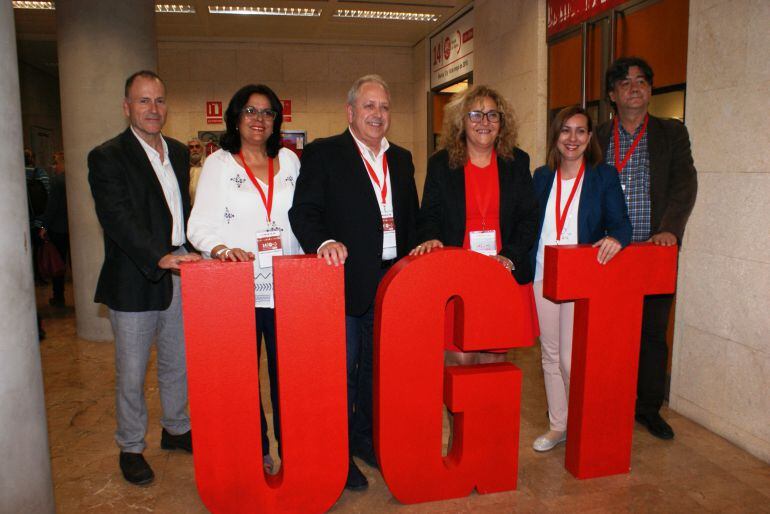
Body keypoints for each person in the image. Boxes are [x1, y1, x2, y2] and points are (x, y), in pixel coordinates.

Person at [289, 74, 419, 491]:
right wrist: (324, 241)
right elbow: (304, 212)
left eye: (383, 107)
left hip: (390, 283)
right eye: (369, 106)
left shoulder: (401, 159)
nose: (377, 114)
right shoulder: (325, 154)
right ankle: (337, 453)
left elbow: (411, 219)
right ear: (350, 112)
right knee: (341, 372)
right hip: (343, 283)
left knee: (376, 371)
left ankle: (364, 438)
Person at [88, 70, 201, 486]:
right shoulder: (107, 156)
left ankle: (176, 428)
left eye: (159, 101)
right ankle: (131, 446)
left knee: (178, 361)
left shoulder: (176, 150)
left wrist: (196, 250)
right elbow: (116, 218)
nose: (153, 109)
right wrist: (161, 257)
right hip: (137, 275)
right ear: (126, 107)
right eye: (143, 101)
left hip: (181, 269)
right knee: (132, 371)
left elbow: (183, 211)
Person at [187, 84, 302, 474]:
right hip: (239, 288)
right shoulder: (219, 164)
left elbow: (305, 217)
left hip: (288, 287)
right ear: (235, 117)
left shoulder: (289, 161)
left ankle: (293, 446)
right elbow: (198, 226)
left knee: (287, 376)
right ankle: (256, 448)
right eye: (250, 111)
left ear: (276, 121)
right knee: (242, 377)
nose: (259, 119)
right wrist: (220, 250)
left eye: (267, 112)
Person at [597, 57, 697, 440]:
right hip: (606, 254)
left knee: (652, 334)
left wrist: (670, 230)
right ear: (612, 94)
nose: (634, 88)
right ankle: (607, 400)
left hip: (654, 252)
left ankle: (648, 408)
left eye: (641, 81)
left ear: (651, 90)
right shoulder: (597, 137)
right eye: (625, 83)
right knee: (607, 332)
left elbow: (684, 185)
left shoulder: (672, 134)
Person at [411, 84, 539, 365]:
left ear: (502, 123)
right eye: (476, 115)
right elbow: (429, 214)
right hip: (458, 274)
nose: (485, 122)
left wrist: (511, 256)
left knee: (494, 359)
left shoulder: (517, 162)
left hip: (502, 271)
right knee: (459, 359)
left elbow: (529, 217)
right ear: (462, 121)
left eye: (493, 115)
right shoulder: (441, 164)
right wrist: (431, 237)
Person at [530, 105, 632, 452]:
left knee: (572, 360)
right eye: (565, 131)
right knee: (549, 354)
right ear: (556, 137)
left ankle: (587, 423)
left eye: (580, 131)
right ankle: (559, 426)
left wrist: (616, 238)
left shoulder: (603, 176)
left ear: (590, 138)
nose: (572, 138)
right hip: (544, 274)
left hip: (580, 279)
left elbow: (621, 224)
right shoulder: (542, 177)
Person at [39, 151, 69, 307]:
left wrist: (44, 226)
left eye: (56, 163)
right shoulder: (74, 179)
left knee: (59, 264)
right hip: (73, 229)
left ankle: (58, 296)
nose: (53, 167)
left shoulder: (57, 181)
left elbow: (52, 207)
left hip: (58, 229)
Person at [187, 137, 205, 203]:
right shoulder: (183, 168)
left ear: (202, 149)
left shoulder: (208, 166)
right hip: (188, 207)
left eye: (197, 146)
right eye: (191, 147)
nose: (194, 149)